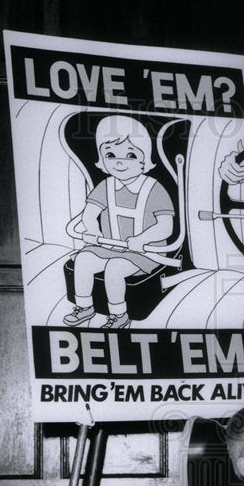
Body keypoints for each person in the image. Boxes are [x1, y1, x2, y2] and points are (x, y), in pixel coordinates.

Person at [63, 115, 175, 330]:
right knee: (84, 259)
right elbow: (88, 214)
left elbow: (165, 227)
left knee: (114, 269)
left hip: (145, 252)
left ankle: (119, 314)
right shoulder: (105, 187)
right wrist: (93, 232)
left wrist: (141, 240)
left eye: (130, 155)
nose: (120, 162)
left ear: (144, 160)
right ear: (102, 159)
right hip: (110, 246)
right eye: (111, 155)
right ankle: (85, 307)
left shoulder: (154, 189)